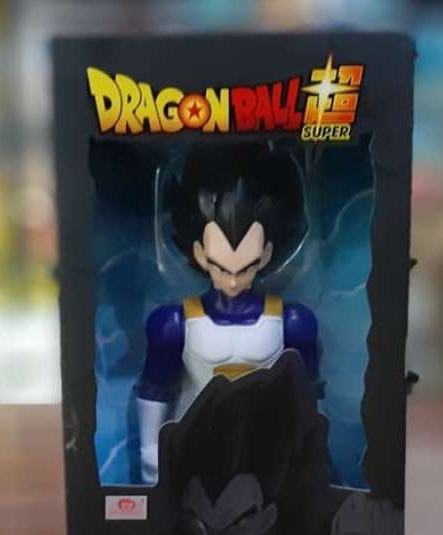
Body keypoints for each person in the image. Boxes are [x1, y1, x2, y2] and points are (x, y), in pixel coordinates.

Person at [136, 142, 319, 484]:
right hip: (196, 453)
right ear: (199, 254)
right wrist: (151, 455)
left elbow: (306, 397)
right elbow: (155, 390)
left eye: (245, 268)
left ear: (266, 255)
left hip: (265, 457)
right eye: (221, 268)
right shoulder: (173, 325)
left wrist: (308, 454)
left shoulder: (292, 324)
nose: (233, 281)